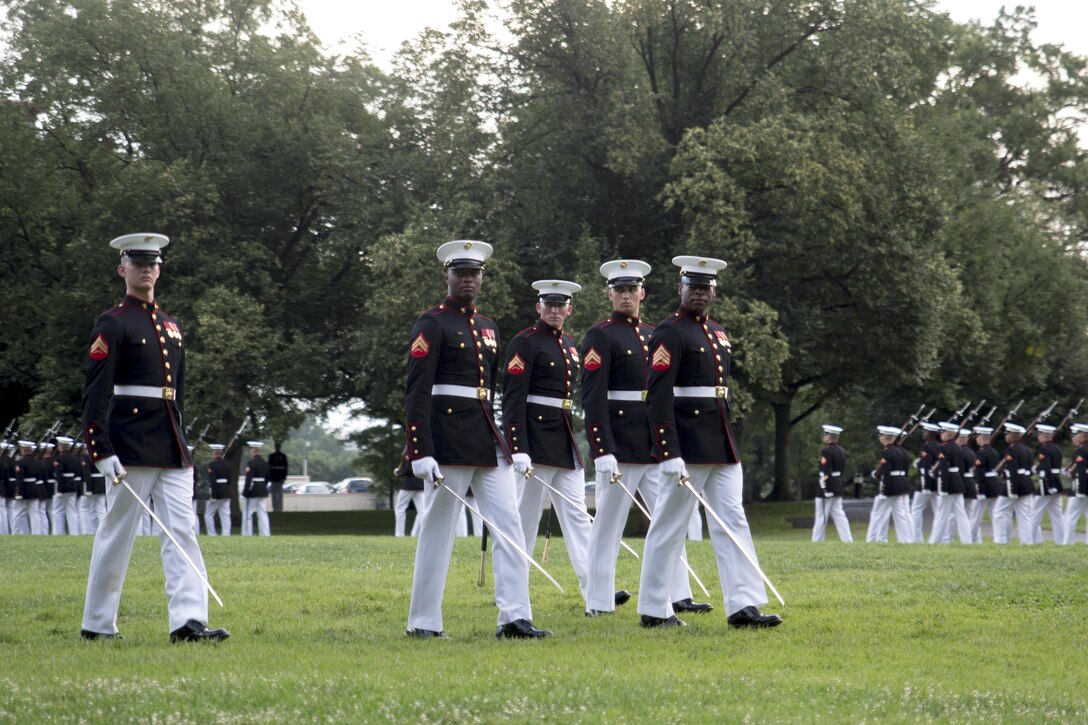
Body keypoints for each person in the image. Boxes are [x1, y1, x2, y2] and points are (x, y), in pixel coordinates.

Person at [80, 232, 228, 642]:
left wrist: (183, 439)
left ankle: (188, 622)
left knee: (182, 530)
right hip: (129, 441)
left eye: (153, 264)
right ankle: (97, 624)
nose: (146, 270)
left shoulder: (171, 326)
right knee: (118, 533)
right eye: (138, 263)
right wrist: (99, 446)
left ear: (159, 270)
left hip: (171, 441)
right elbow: (95, 390)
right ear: (122, 269)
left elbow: (177, 393)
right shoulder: (113, 322)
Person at [404, 240, 549, 640]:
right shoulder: (431, 323)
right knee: (438, 531)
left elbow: (492, 388)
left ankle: (515, 617)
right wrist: (420, 449)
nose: (468, 280)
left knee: (510, 527)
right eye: (461, 273)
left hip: (487, 436)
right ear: (448, 276)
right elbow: (417, 391)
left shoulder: (488, 327)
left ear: (482, 278)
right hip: (446, 437)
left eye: (474, 274)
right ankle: (423, 622)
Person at [637, 255, 780, 630]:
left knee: (733, 520)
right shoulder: (669, 331)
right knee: (670, 524)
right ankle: (654, 608)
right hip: (686, 443)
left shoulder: (716, 332)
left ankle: (743, 605)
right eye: (693, 287)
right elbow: (658, 395)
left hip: (720, 439)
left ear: (713, 291)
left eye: (706, 287)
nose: (700, 293)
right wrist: (668, 451)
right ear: (680, 289)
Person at [581, 259, 708, 617]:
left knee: (670, 520)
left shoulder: (655, 335)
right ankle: (598, 601)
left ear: (643, 293)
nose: (626, 296)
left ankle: (679, 594)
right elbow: (592, 397)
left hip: (655, 445)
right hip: (619, 444)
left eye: (631, 289)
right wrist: (601, 448)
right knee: (608, 524)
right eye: (619, 290)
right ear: (610, 294)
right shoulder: (600, 335)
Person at [503, 279, 594, 601]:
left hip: (563, 438)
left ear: (570, 309)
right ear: (538, 307)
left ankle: (594, 590)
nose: (555, 310)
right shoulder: (524, 342)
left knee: (579, 517)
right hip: (535, 439)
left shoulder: (570, 344)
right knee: (525, 520)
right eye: (549, 305)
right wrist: (517, 447)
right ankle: (515, 591)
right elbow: (513, 399)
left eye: (561, 305)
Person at [865, 426, 915, 543]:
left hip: (890, 486)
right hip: (901, 484)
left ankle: (872, 539)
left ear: (885, 438)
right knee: (901, 515)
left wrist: (884, 490)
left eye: (880, 436)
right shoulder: (902, 452)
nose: (880, 439)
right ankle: (906, 540)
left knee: (877, 513)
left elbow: (886, 474)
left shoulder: (887, 452)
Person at [928, 422, 972, 544]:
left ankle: (934, 540)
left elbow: (944, 468)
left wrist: (943, 487)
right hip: (957, 481)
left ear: (948, 433)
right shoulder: (958, 447)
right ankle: (967, 540)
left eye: (942, 432)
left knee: (942, 513)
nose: (940, 435)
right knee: (961, 513)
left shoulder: (944, 448)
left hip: (948, 483)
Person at [812, 424, 853, 543]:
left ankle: (817, 540)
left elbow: (826, 470)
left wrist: (825, 489)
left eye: (825, 434)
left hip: (828, 485)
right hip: (838, 483)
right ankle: (847, 540)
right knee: (839, 514)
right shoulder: (841, 450)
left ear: (829, 436)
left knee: (821, 515)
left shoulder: (826, 451)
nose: (823, 437)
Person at [998, 422, 1036, 544]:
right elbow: (1030, 469)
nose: (1006, 436)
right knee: (1025, 515)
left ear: (1012, 435)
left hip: (1014, 484)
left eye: (1007, 434)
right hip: (1026, 483)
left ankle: (1002, 539)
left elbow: (1012, 470)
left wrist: (1011, 489)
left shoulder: (1012, 449)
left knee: (1000, 512)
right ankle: (1028, 541)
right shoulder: (1027, 449)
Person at [1031, 424, 1065, 544]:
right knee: (1057, 514)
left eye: (1039, 435)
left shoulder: (1043, 449)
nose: (1038, 437)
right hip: (1056, 481)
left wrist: (1049, 485)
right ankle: (1061, 540)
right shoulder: (1057, 448)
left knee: (1034, 512)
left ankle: (1031, 539)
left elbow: (1046, 468)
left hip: (1046, 484)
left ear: (1043, 436)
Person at [910, 422, 941, 543]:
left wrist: (925, 485)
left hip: (926, 483)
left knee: (916, 510)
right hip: (937, 483)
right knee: (939, 511)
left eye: (924, 432)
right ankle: (939, 538)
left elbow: (926, 467)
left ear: (928, 434)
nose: (923, 435)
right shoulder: (940, 446)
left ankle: (916, 538)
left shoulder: (926, 447)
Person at [972, 426, 1002, 542]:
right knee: (995, 514)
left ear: (981, 438)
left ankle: (972, 538)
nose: (976, 440)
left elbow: (980, 472)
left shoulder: (981, 453)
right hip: (994, 485)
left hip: (984, 486)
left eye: (977, 437)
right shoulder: (993, 451)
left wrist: (979, 489)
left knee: (975, 515)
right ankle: (998, 538)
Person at [52, 436, 83, 535]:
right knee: (71, 510)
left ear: (61, 447)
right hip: (73, 484)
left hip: (63, 485)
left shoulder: (59, 458)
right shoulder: (75, 458)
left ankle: (58, 532)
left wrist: (59, 489)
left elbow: (59, 475)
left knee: (58, 510)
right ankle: (74, 532)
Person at [1063, 423, 1088, 544]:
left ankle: (1068, 542)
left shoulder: (1081, 451)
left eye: (1074, 435)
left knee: (1070, 516)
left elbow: (1082, 471)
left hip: (1081, 487)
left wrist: (1081, 490)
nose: (1072, 438)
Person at [241, 441, 271, 536]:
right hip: (262, 489)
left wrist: (245, 491)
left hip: (254, 489)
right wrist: (263, 486)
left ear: (253, 450)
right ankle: (265, 533)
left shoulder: (251, 463)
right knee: (262, 512)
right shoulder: (265, 463)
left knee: (248, 512)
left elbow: (248, 479)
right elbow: (267, 478)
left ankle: (247, 533)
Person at [393, 456, 427, 537]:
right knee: (422, 511)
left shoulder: (410, 450)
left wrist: (398, 472)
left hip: (409, 485)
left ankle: (399, 534)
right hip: (420, 484)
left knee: (400, 508)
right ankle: (424, 533)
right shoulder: (422, 450)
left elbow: (408, 469)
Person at [203, 444, 232, 536]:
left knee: (208, 514)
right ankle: (226, 533)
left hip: (217, 492)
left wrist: (213, 495)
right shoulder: (227, 464)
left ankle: (212, 533)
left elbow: (213, 481)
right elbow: (230, 480)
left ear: (214, 453)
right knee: (225, 515)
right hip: (226, 491)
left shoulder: (212, 465)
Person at [959, 429, 981, 543]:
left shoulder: (959, 452)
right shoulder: (971, 452)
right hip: (971, 482)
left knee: (956, 513)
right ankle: (975, 538)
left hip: (962, 482)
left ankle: (947, 537)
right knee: (971, 513)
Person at [268, 443, 288, 513]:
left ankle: (280, 508)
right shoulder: (271, 456)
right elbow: (269, 468)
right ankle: (275, 508)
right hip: (273, 478)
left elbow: (285, 468)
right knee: (274, 495)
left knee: (279, 494)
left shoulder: (283, 456)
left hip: (280, 479)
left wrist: (284, 478)